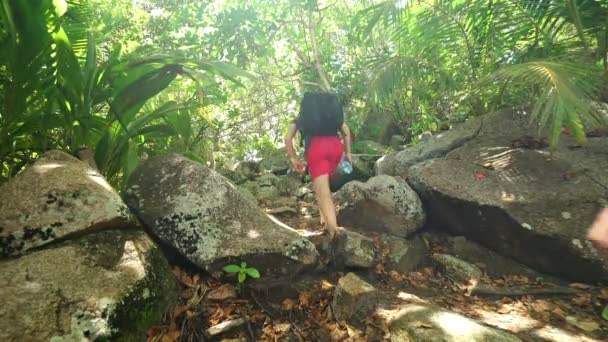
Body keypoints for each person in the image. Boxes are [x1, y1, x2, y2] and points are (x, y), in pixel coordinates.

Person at [285, 92, 352, 241]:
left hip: (317, 149)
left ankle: (334, 230)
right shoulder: (331, 116)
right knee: (321, 187)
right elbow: (346, 132)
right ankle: (325, 221)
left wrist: (294, 158)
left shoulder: (302, 118)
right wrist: (348, 153)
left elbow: (288, 138)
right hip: (335, 147)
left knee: (323, 192)